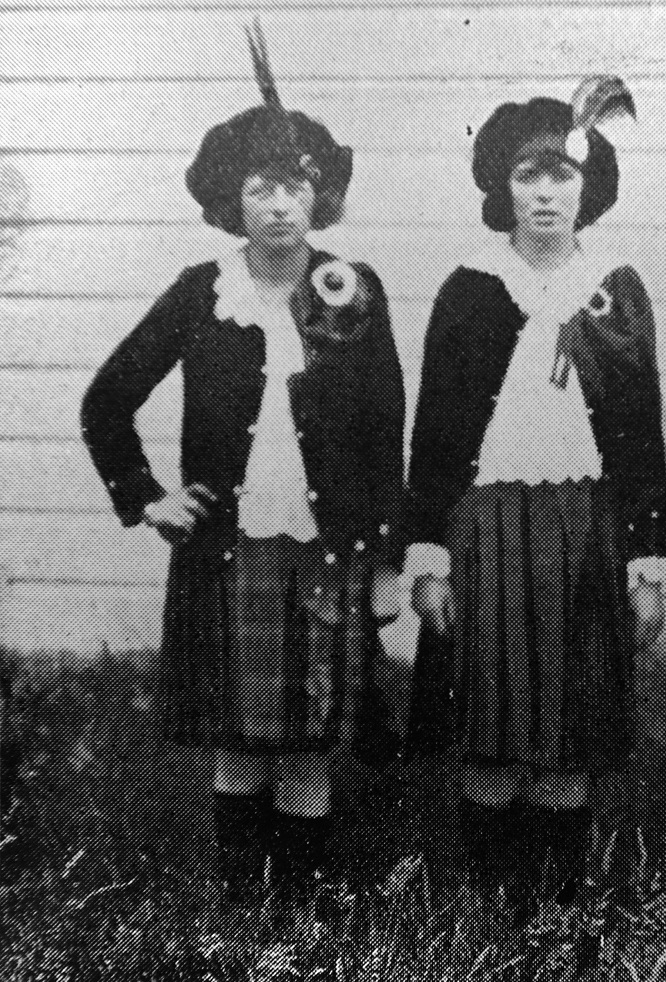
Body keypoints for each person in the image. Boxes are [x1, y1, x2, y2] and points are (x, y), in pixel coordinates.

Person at [81, 23, 405, 908]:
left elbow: (385, 433)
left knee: (305, 745)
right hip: (225, 549)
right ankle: (239, 915)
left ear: (319, 195)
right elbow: (106, 400)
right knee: (236, 743)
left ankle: (296, 923)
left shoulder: (354, 291)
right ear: (235, 199)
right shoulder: (199, 292)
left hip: (322, 553)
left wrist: (384, 561)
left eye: (295, 185)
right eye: (261, 187)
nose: (278, 205)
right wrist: (146, 496)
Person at [405, 79, 666, 915]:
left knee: (567, 737)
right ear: (503, 185)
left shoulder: (614, 289)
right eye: (529, 174)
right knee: (490, 731)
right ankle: (489, 915)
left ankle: (554, 919)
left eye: (563, 173)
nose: (547, 191)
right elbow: (437, 434)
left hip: (584, 528)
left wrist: (647, 555)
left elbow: (639, 433)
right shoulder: (472, 288)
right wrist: (428, 552)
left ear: (589, 185)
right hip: (486, 525)